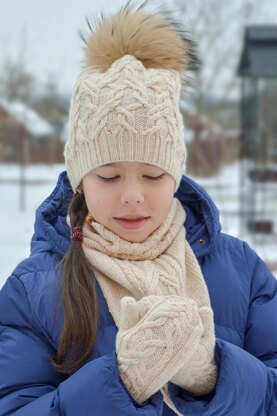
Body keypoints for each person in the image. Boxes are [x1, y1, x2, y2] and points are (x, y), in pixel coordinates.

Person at [0, 3, 276, 416]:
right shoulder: (34, 290)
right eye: (109, 177)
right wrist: (123, 379)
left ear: (177, 176)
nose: (132, 195)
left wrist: (214, 374)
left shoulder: (241, 270)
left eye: (153, 175)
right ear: (80, 180)